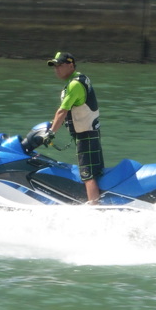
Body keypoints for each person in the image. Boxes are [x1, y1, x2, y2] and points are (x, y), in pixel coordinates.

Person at [45, 51, 103, 204]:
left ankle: (94, 210)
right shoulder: (80, 79)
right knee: (95, 172)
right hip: (91, 132)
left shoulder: (75, 85)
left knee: (88, 175)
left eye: (60, 66)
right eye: (54, 66)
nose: (56, 69)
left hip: (86, 136)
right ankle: (103, 200)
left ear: (70, 65)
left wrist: (51, 133)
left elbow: (62, 111)